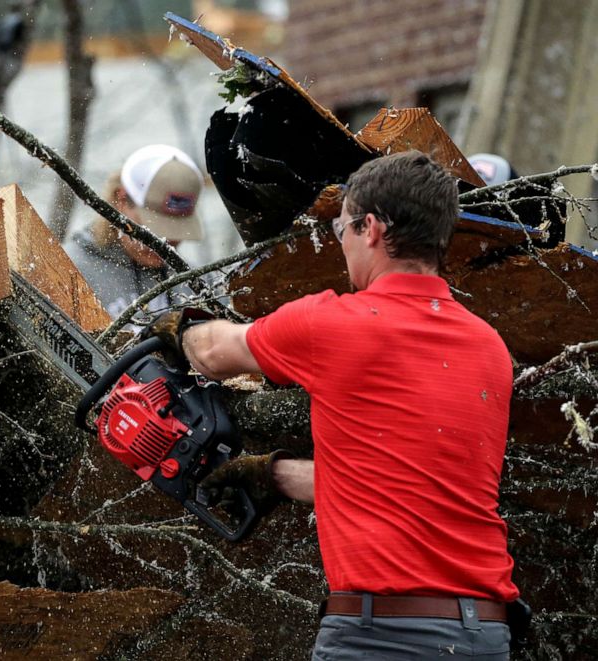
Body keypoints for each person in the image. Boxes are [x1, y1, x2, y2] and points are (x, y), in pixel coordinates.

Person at [153, 151, 521, 659]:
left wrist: (179, 328)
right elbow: (408, 486)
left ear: (370, 228)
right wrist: (274, 476)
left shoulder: (335, 324)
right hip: (481, 633)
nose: (341, 243)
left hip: (381, 634)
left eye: (342, 228)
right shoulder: (489, 348)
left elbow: (215, 354)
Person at [64, 144, 204, 319]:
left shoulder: (199, 283)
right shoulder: (69, 272)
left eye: (177, 230)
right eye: (156, 229)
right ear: (121, 200)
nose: (166, 242)